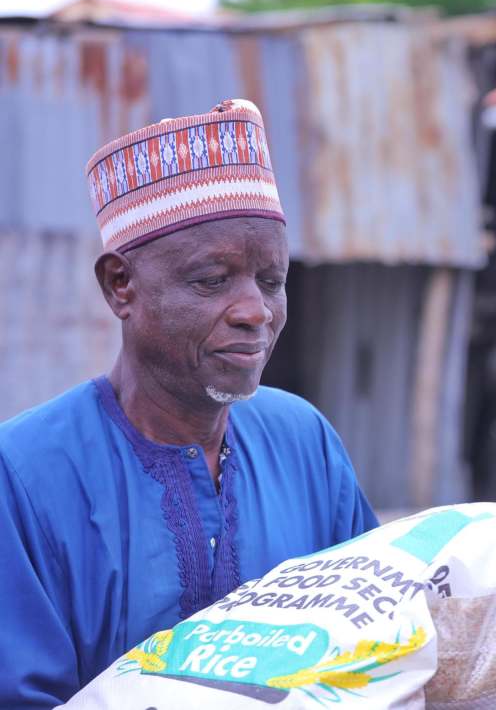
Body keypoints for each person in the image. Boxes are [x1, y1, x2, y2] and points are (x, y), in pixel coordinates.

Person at [0, 99, 378, 706]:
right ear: (120, 285)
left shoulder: (304, 441)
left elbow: (377, 650)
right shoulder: (23, 472)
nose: (255, 311)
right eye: (211, 281)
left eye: (272, 281)